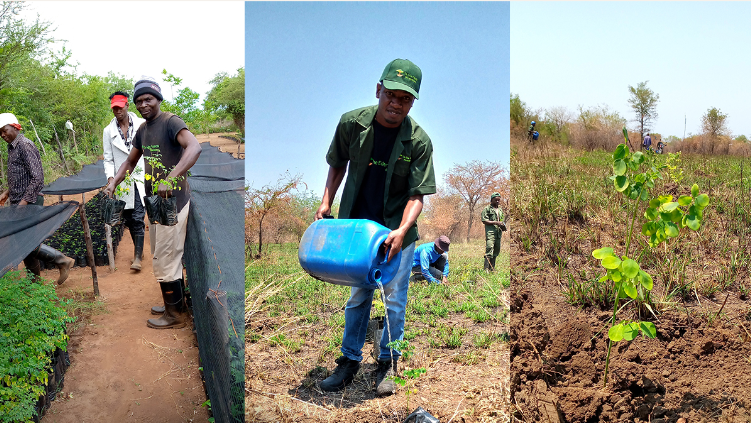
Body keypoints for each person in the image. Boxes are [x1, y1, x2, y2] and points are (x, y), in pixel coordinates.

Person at [314, 59, 436, 397]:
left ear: (412, 102)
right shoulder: (351, 124)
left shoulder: (419, 142)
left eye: (405, 99)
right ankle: (349, 361)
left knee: (394, 299)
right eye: (391, 95)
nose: (396, 103)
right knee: (359, 295)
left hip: (397, 231)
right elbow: (337, 164)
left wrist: (401, 230)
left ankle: (388, 362)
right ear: (378, 90)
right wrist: (327, 202)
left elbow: (417, 195)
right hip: (358, 230)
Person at [105, 78, 201, 329]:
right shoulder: (144, 130)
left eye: (148, 99)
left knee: (167, 258)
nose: (143, 105)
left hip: (173, 202)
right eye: (138, 101)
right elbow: (129, 162)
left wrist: (171, 177)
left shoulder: (171, 122)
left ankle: (175, 317)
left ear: (158, 99)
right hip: (156, 203)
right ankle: (174, 305)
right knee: (162, 254)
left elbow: (194, 147)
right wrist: (114, 182)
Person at [0, 113, 75, 284]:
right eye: (0, 133)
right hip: (20, 200)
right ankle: (34, 282)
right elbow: (19, 177)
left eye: (4, 131)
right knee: (22, 242)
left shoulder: (25, 145)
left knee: (27, 241)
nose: (3, 135)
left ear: (15, 127)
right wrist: (7, 193)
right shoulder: (11, 147)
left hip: (30, 201)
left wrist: (24, 203)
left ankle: (62, 260)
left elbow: (37, 178)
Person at [102, 91, 147, 271]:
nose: (117, 111)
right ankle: (139, 248)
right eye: (114, 108)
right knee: (127, 219)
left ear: (127, 106)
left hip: (140, 176)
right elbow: (108, 158)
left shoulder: (142, 124)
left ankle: (137, 257)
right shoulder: (108, 131)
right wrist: (111, 180)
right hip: (121, 180)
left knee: (137, 217)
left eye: (120, 107)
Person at [481, 192, 505, 271]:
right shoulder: (487, 209)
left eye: (499, 200)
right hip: (490, 232)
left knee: (496, 249)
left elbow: (501, 220)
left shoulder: (500, 209)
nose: (497, 201)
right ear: (492, 200)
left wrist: (502, 225)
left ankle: (492, 268)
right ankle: (486, 269)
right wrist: (495, 222)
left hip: (498, 233)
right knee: (489, 248)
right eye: (496, 200)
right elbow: (484, 220)